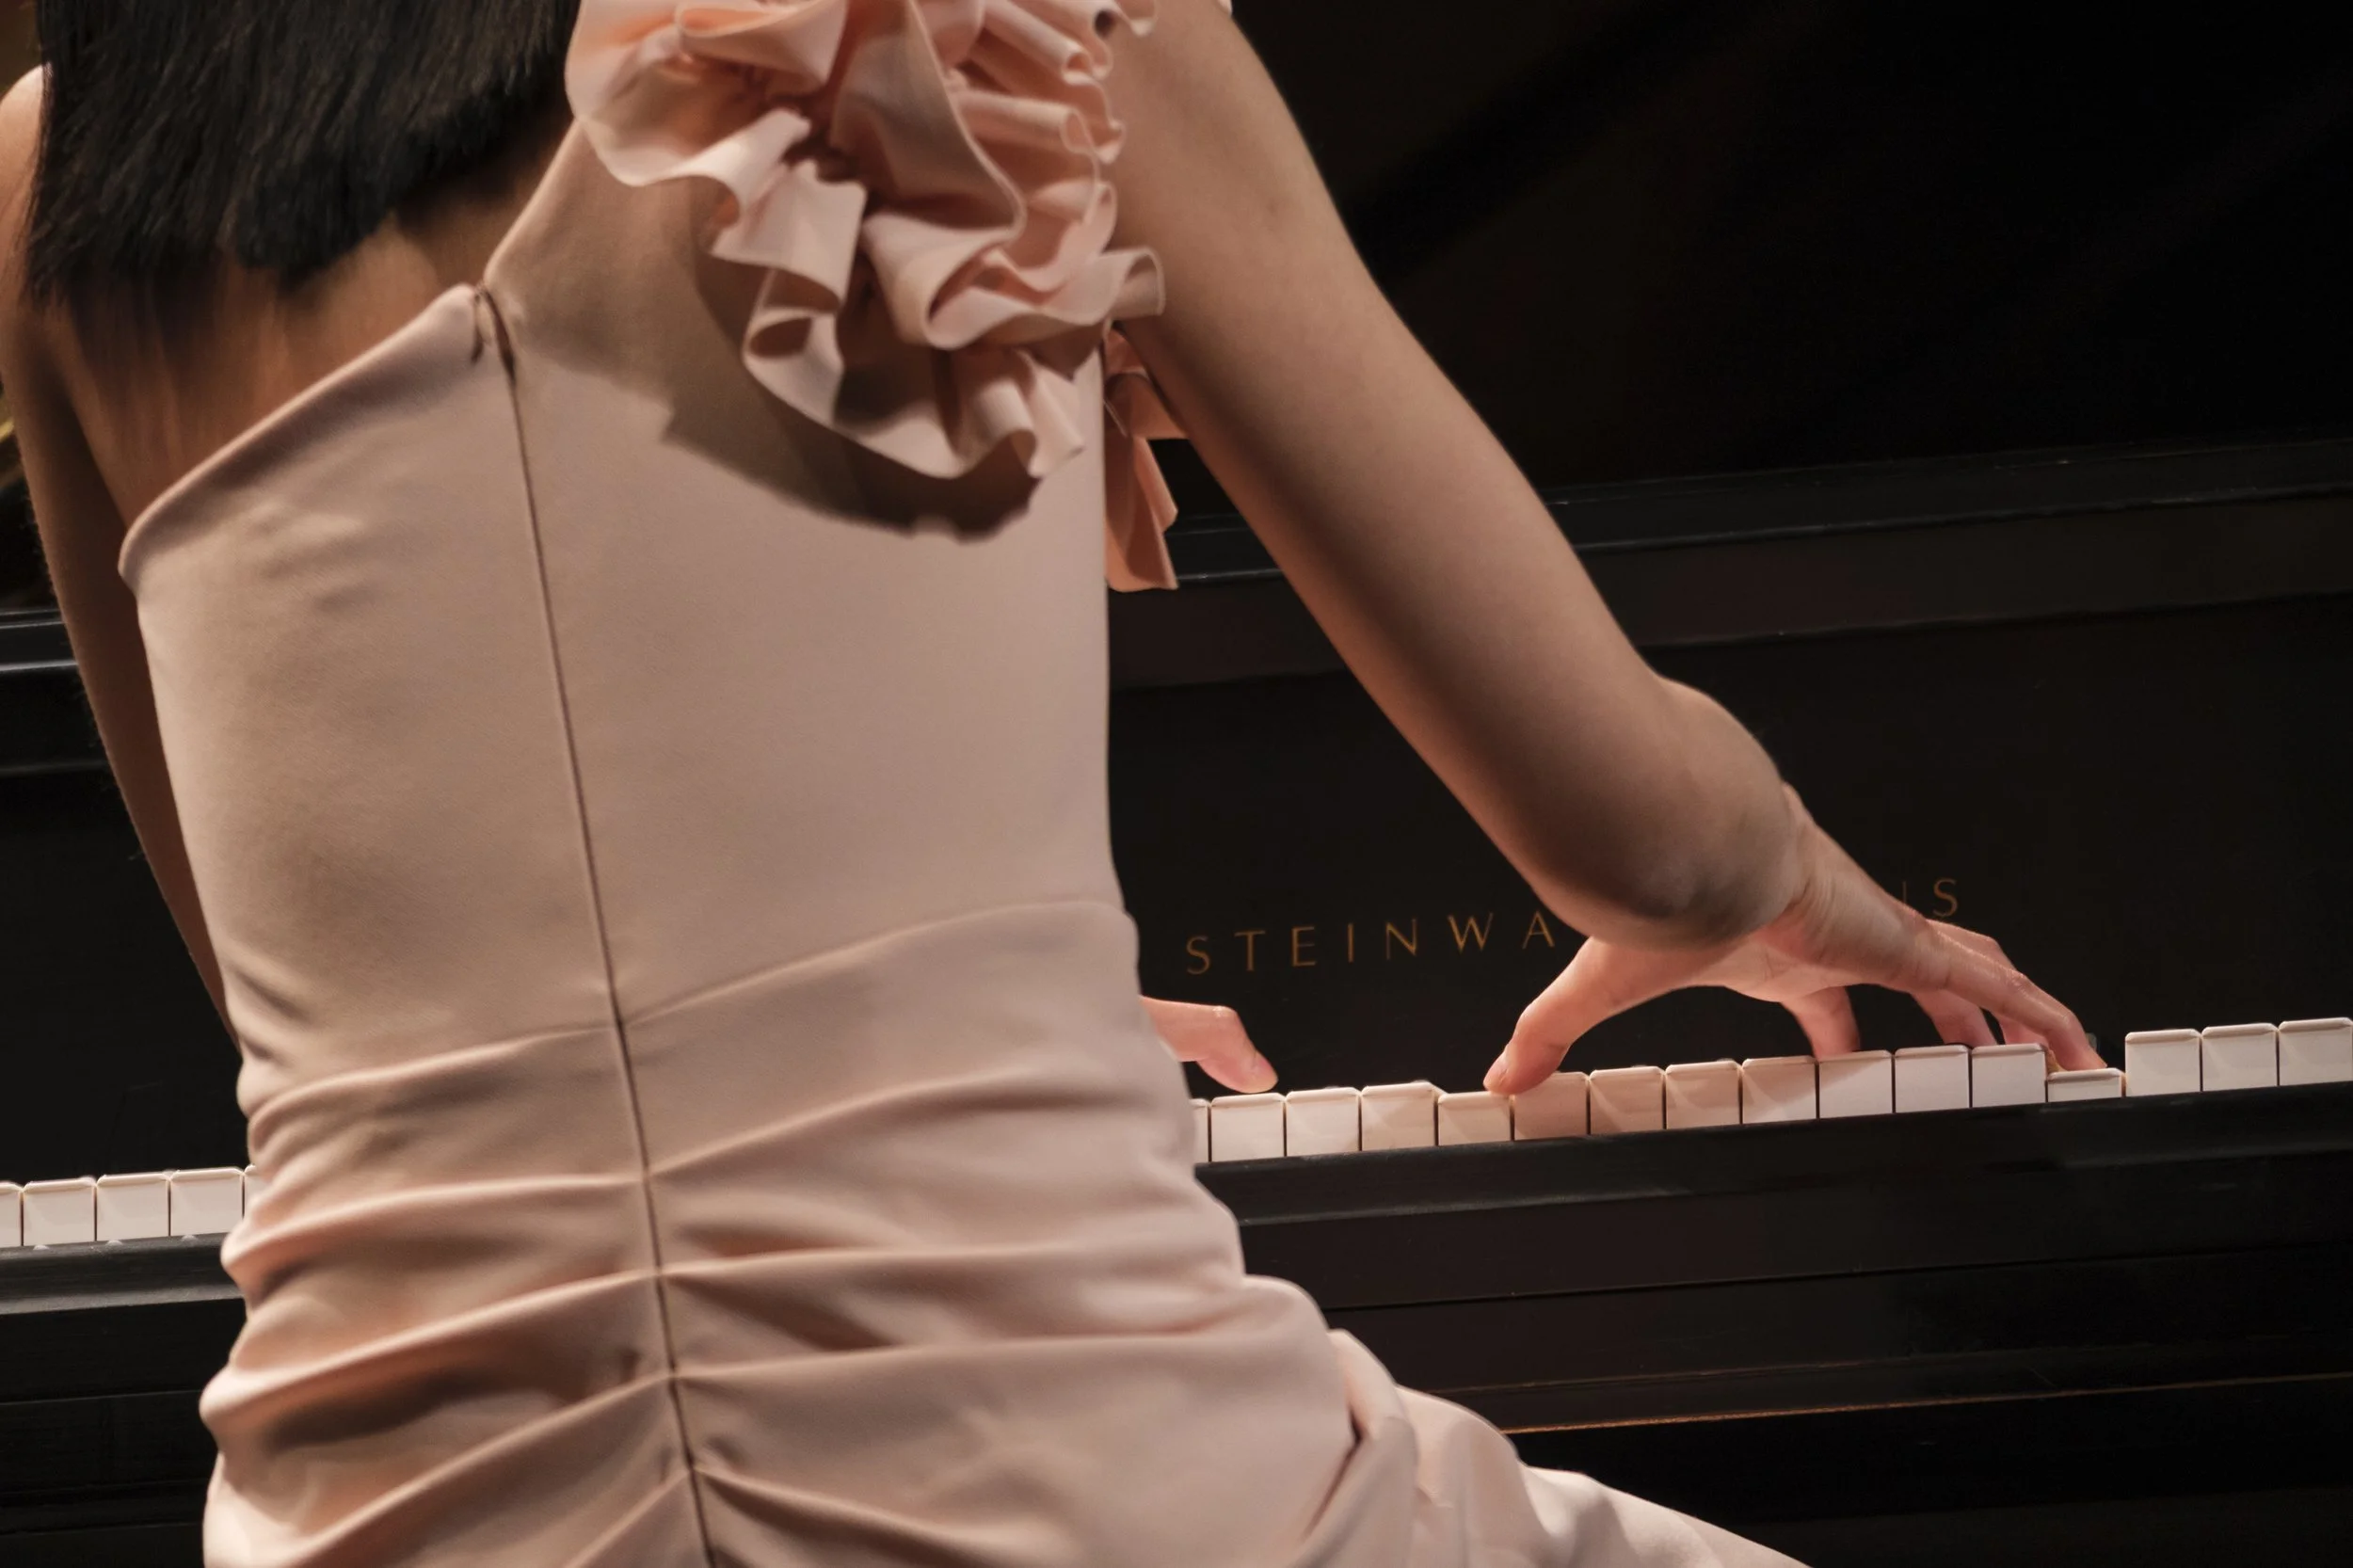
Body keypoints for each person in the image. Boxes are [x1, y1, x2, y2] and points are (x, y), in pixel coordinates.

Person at [0, 1, 2093, 1563]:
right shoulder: (989, 25)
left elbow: (318, 1008)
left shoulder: (61, 177)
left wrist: (904, 996)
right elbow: (1643, 837)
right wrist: (1800, 881)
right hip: (1059, 1487)